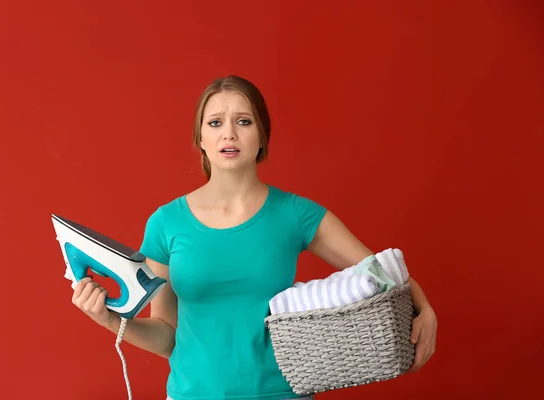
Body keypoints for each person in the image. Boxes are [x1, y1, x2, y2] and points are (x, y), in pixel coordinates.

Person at [71, 75, 438, 400]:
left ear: (261, 135)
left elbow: (379, 272)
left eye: (243, 122)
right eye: (215, 123)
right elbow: (167, 335)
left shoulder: (295, 214)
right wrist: (108, 319)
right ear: (201, 138)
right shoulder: (166, 223)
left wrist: (426, 309)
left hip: (283, 394)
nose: (228, 133)